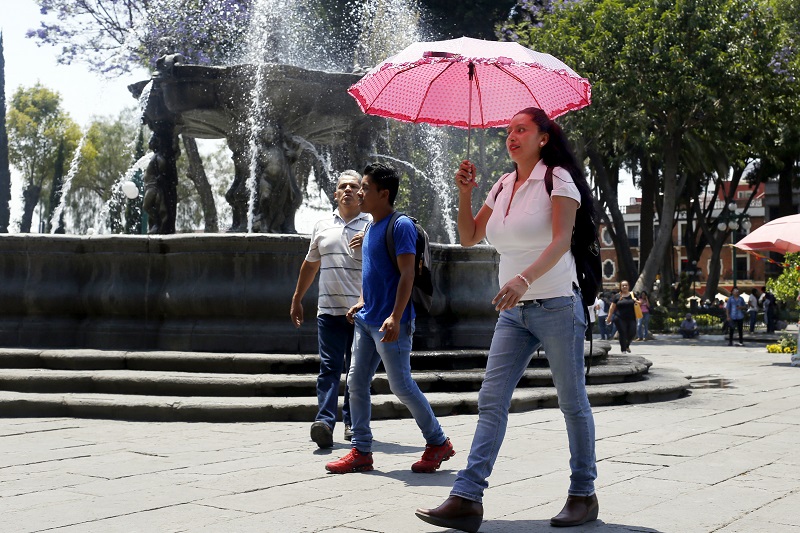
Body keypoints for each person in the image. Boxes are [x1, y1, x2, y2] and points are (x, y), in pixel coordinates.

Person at [416, 107, 598, 532]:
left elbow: (560, 243)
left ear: (543, 138)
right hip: (513, 311)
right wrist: (464, 193)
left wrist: (523, 278)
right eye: (507, 131)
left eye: (521, 130)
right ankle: (466, 498)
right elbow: (469, 236)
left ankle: (583, 493)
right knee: (491, 401)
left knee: (572, 403)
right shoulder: (501, 185)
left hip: (555, 303)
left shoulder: (558, 180)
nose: (511, 137)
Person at [325, 162, 454, 474]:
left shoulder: (400, 226)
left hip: (391, 324)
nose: (358, 192)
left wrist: (396, 317)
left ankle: (438, 442)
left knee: (402, 386)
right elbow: (375, 275)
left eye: (365, 188)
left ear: (383, 194)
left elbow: (407, 274)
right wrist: (361, 301)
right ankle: (361, 450)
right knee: (355, 382)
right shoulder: (370, 226)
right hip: (368, 321)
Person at [290, 170, 370, 449]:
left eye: (353, 186)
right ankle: (324, 421)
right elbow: (311, 263)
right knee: (329, 367)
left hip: (362, 312)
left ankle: (351, 422)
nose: (347, 190)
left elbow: (388, 265)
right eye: (342, 186)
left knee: (357, 370)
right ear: (335, 193)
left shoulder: (372, 223)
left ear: (362, 193)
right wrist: (298, 297)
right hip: (328, 310)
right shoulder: (322, 224)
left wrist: (371, 242)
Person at [606, 281, 638, 353]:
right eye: (623, 285)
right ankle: (623, 350)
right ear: (620, 287)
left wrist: (636, 301)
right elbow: (612, 307)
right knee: (622, 333)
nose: (624, 287)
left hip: (631, 318)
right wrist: (609, 317)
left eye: (626, 285)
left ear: (628, 286)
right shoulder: (617, 296)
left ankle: (627, 345)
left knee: (632, 333)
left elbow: (640, 304)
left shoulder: (633, 295)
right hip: (619, 318)